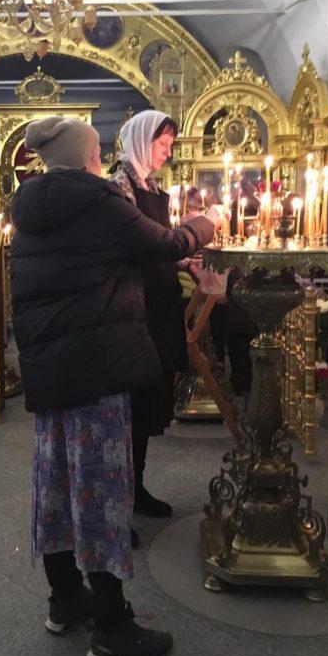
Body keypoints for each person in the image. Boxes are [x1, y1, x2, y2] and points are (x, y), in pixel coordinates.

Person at [10, 116, 218, 656]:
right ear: (87, 157)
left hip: (50, 367)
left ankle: (64, 599)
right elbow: (166, 242)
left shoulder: (28, 207)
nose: (101, 159)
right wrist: (208, 221)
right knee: (102, 490)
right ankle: (111, 625)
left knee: (57, 485)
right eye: (97, 152)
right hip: (97, 365)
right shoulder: (99, 201)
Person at [109, 110, 188, 520]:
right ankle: (121, 498)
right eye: (163, 144)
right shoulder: (119, 188)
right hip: (134, 310)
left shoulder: (150, 186)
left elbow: (160, 247)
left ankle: (135, 488)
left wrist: (183, 260)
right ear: (142, 140)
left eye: (170, 145)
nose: (167, 153)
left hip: (158, 308)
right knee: (131, 409)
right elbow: (137, 248)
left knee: (147, 407)